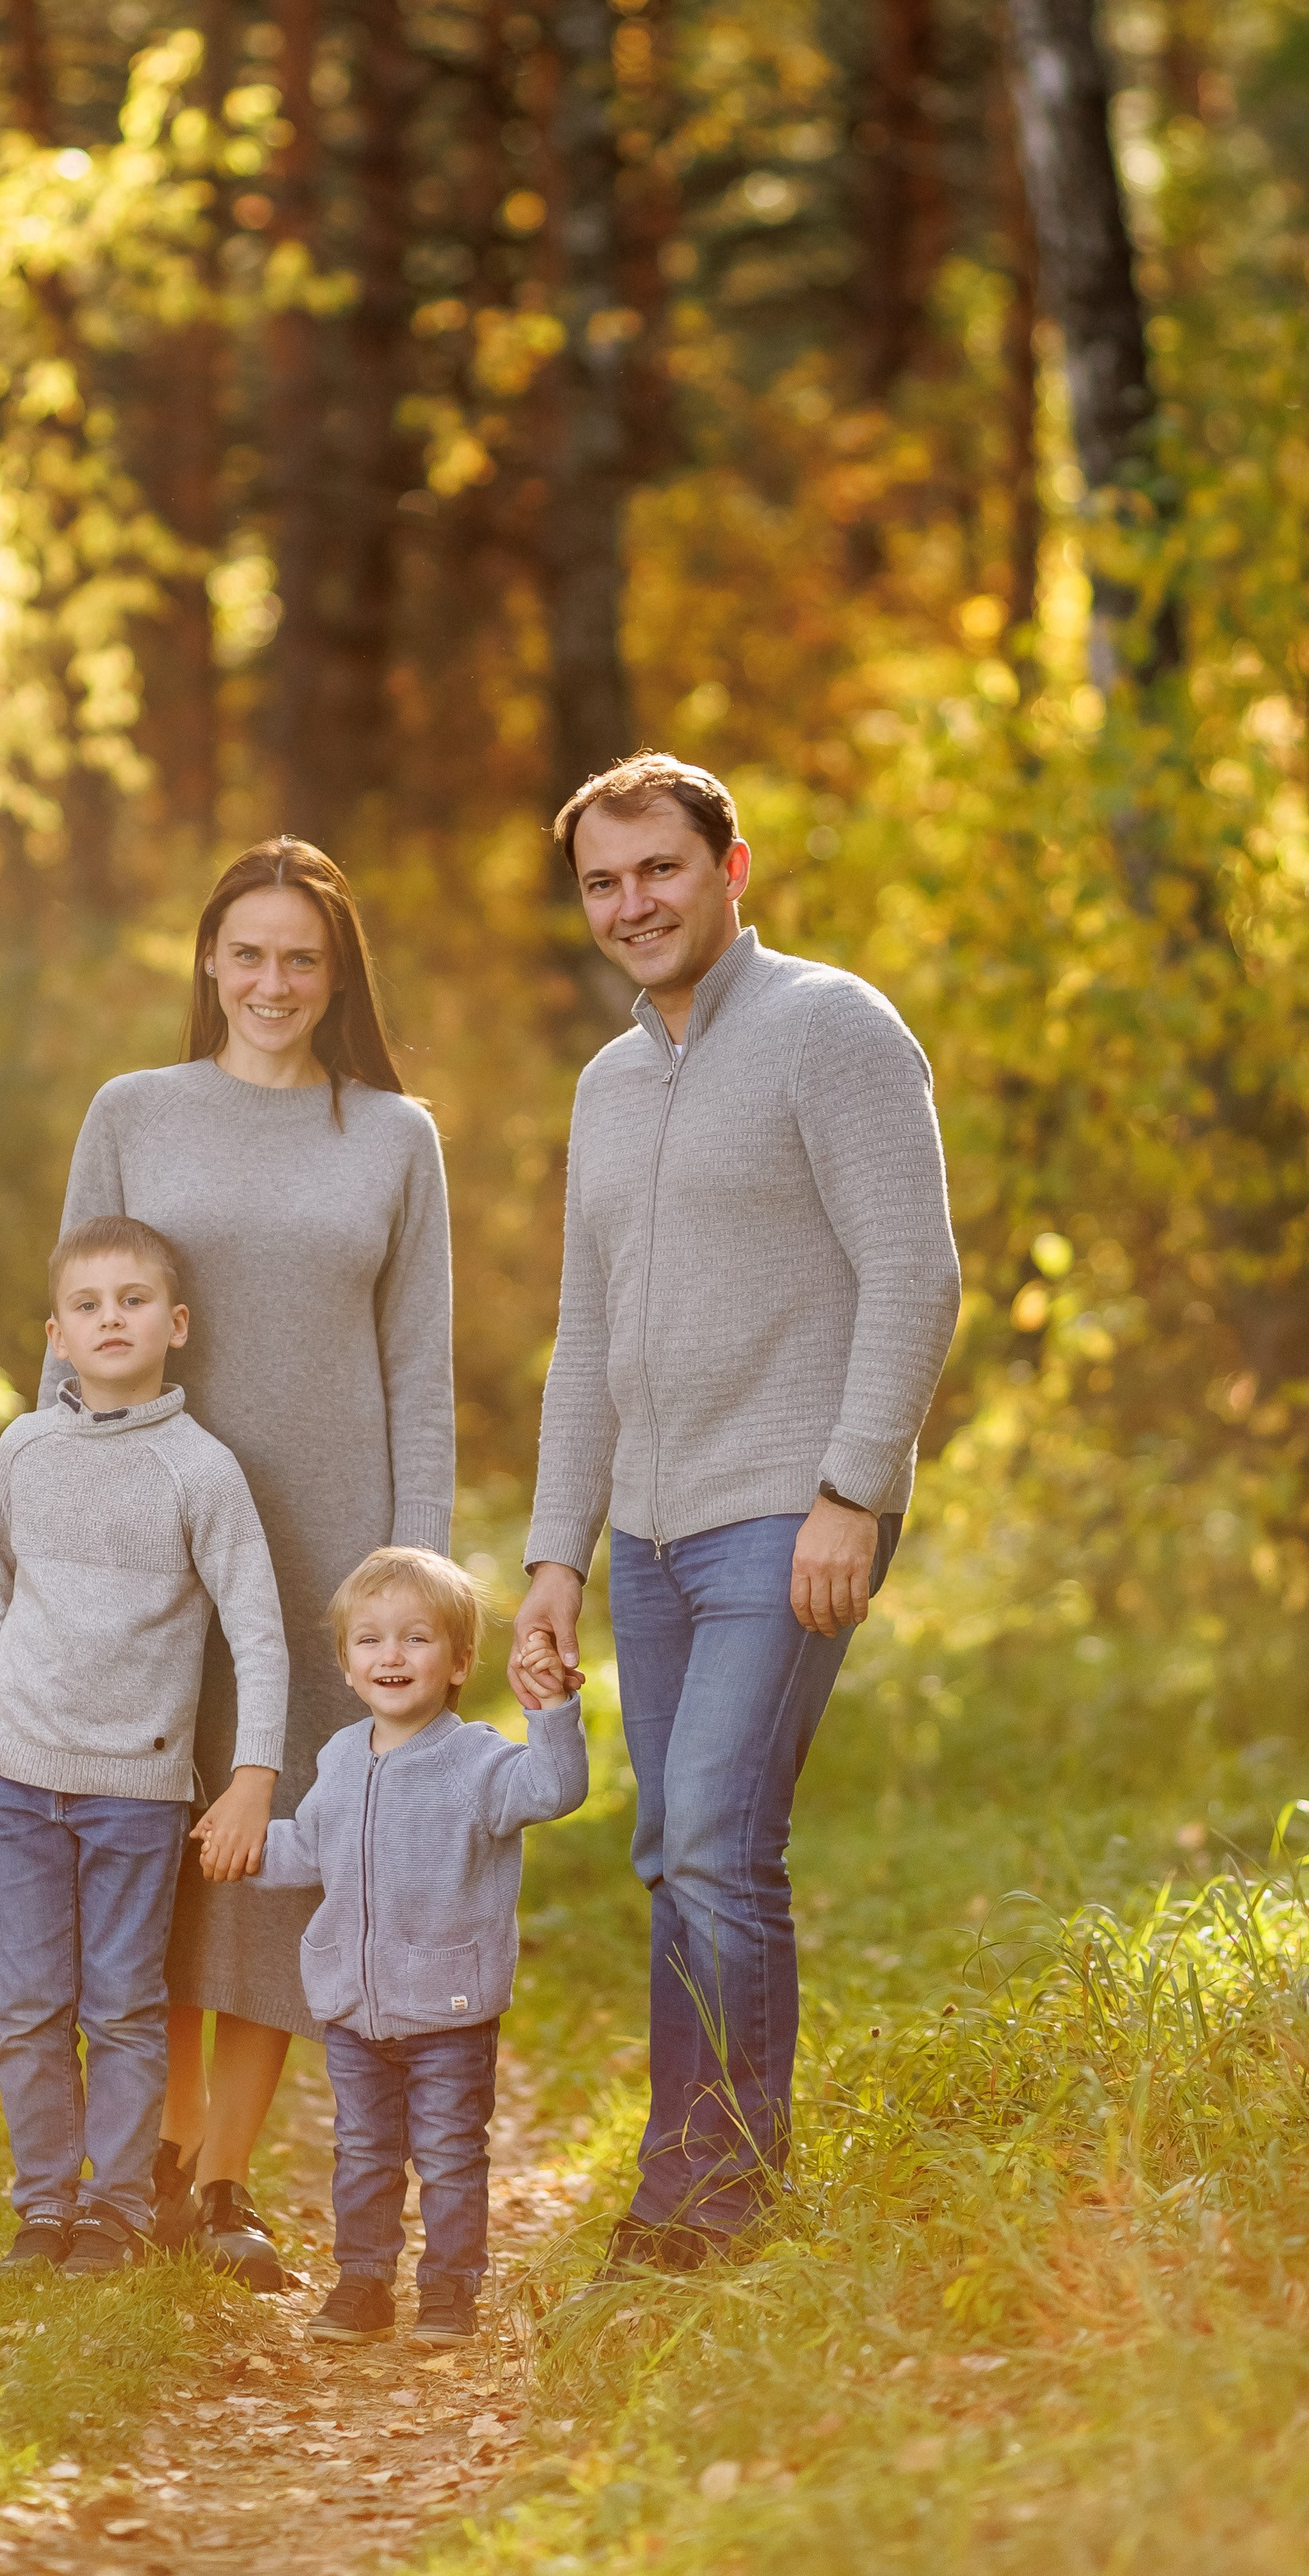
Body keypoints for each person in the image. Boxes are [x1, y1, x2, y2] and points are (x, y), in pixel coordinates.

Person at [509, 751, 961, 2275]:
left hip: (788, 1506)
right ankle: (682, 2178)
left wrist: (852, 1491)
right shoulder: (610, 1082)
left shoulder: (832, 1029)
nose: (633, 903)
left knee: (712, 1831)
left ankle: (732, 2187)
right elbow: (585, 1340)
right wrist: (553, 1556)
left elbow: (915, 1272)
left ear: (732, 869)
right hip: (647, 1528)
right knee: (676, 1847)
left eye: (661, 870)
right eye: (604, 881)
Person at [45, 840, 455, 2287]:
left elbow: (420, 1371)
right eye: (248, 953)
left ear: (334, 978)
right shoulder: (135, 1114)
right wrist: (62, 1539)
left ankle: (219, 2186)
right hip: (156, 1558)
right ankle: (134, 2160)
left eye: (301, 958)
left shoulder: (395, 1135)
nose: (271, 981)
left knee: (280, 1867)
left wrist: (418, 1578)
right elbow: (76, 1326)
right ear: (209, 963)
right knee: (151, 1852)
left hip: (329, 1562)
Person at [0, 1215, 289, 2275]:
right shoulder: (24, 1447)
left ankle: (115, 2211)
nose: (112, 1318)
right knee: (29, 2009)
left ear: (176, 1324)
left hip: (135, 1794)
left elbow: (258, 1629)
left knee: (124, 2005)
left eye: (133, 1300)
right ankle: (43, 2209)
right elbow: (0, 1594)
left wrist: (252, 1775)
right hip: (18, 1777)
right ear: (57, 1333)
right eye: (89, 1305)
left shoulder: (202, 1471)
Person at [227, 1546, 586, 2345]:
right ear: (349, 1666)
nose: (392, 1656)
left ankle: (450, 2292)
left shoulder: (475, 1761)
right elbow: (311, 1849)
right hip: (355, 2011)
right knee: (362, 2154)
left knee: (451, 2158)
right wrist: (236, 1848)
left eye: (416, 1639)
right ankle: (363, 2284)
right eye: (371, 1641)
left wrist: (553, 1712)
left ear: (458, 1662)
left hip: (449, 2010)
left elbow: (555, 1789)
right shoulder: (341, 1759)